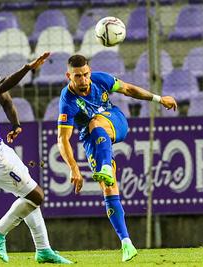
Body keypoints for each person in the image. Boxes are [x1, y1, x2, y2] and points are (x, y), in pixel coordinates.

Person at [0, 34, 72, 264]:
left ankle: (43, 250)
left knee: (27, 193)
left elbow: (5, 98)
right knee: (36, 195)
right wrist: (27, 68)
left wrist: (16, 124)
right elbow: (0, 86)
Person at [57, 54, 177, 262]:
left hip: (115, 121)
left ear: (90, 72)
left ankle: (104, 166)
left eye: (86, 74)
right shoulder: (67, 101)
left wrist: (159, 99)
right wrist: (74, 168)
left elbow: (128, 89)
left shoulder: (100, 80)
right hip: (91, 139)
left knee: (94, 122)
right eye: (78, 76)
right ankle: (126, 243)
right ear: (69, 76)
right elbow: (62, 139)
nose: (83, 80)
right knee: (109, 189)